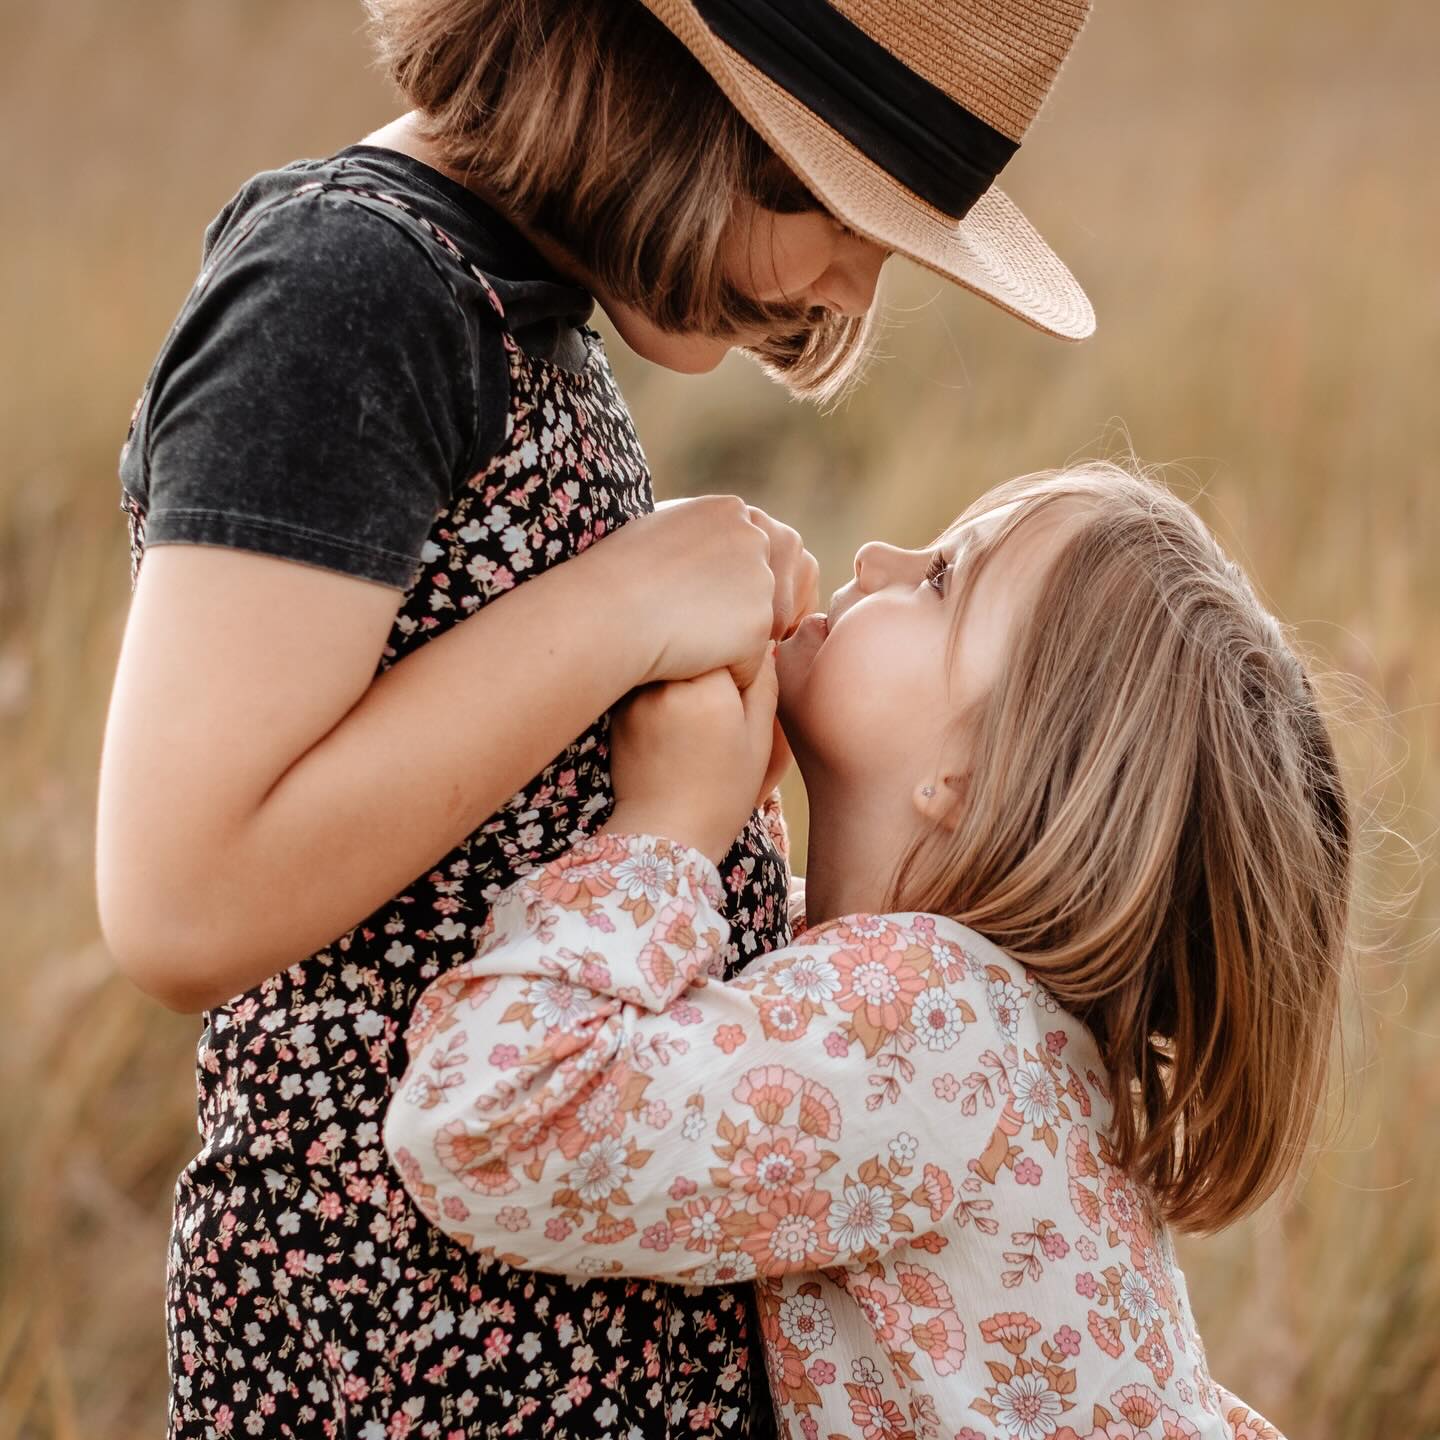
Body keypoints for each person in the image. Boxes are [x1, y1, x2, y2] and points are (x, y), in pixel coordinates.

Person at [96, 1, 1096, 1435]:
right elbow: (179, 898)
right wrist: (618, 612)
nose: (856, 278)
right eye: (835, 202)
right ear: (665, 93)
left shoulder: (527, 313)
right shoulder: (346, 293)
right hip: (402, 1364)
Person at [384, 463, 1348, 1440]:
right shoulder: (982, 1028)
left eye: (940, 581)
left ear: (972, 777)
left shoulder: (934, 1024)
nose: (875, 555)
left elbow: (487, 1125)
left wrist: (668, 827)